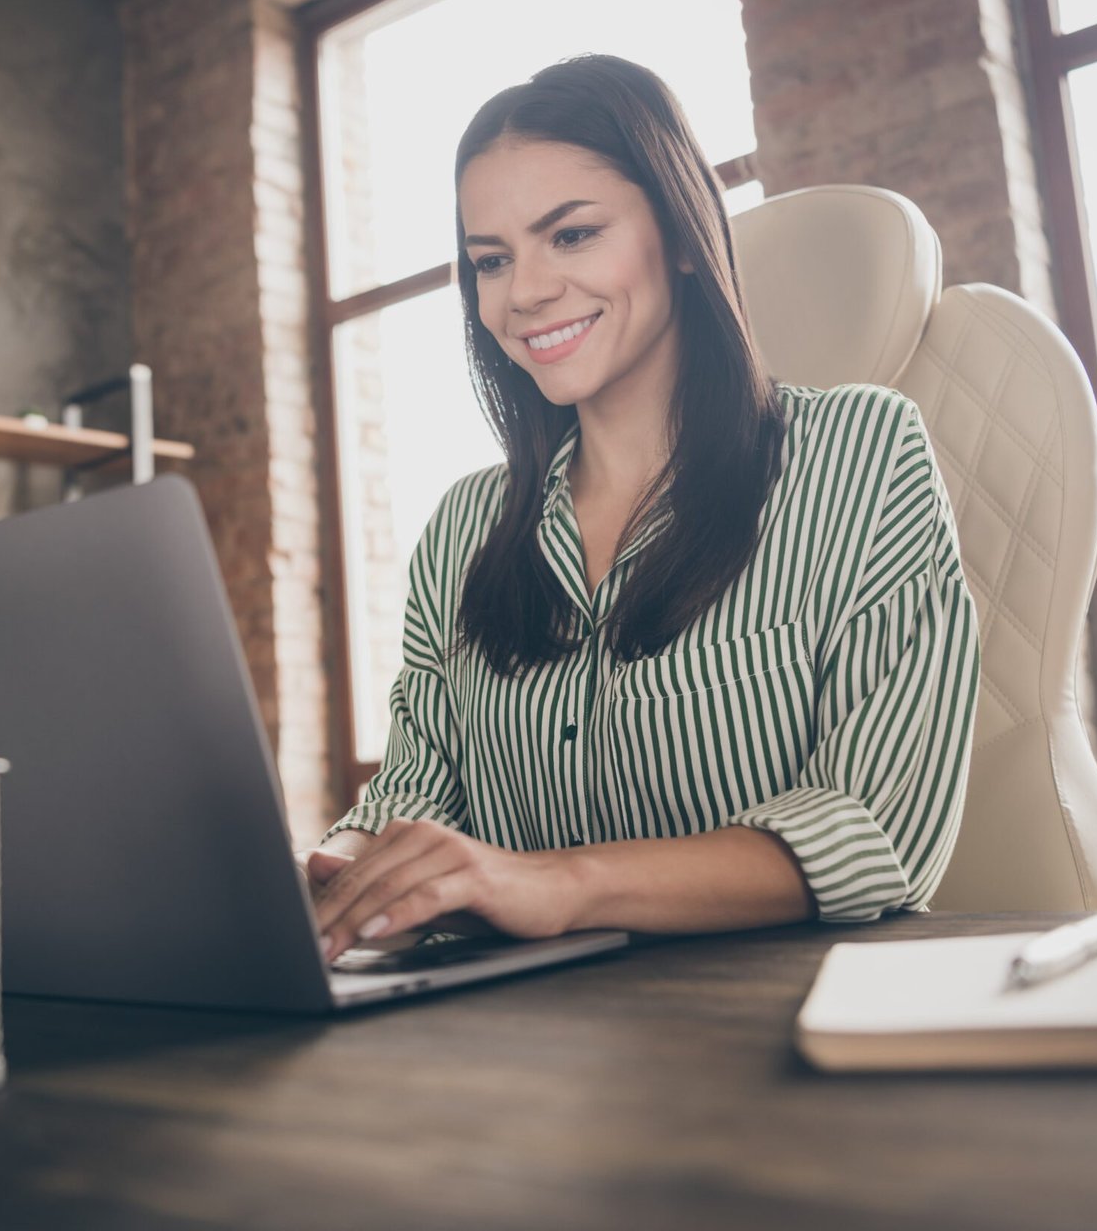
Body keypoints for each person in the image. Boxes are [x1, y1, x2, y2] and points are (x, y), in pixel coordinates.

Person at [308, 54, 980, 965]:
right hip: (528, 1051)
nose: (526, 291)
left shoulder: (863, 453)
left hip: (793, 1031)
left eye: (573, 235)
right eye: (491, 261)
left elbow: (878, 828)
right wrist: (338, 869)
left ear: (682, 234)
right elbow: (419, 795)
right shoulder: (464, 529)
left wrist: (561, 882)